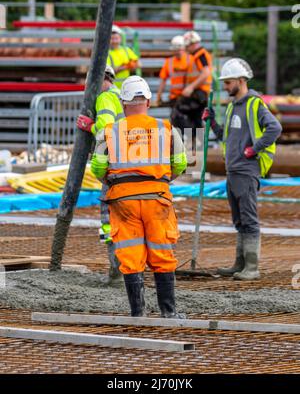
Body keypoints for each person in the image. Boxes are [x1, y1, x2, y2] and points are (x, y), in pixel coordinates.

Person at [91, 75, 188, 317]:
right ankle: (169, 313)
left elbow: (98, 168)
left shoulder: (110, 131)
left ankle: (138, 314)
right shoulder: (164, 128)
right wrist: (161, 181)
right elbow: (180, 163)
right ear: (148, 101)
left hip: (122, 201)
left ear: (123, 104)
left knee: (130, 254)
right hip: (157, 198)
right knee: (161, 253)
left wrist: (115, 183)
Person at [202, 58, 282, 280]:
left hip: (247, 171)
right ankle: (240, 263)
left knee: (249, 218)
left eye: (228, 83)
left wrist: (253, 149)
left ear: (240, 80)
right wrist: (213, 123)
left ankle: (252, 268)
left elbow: (275, 128)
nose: (225, 87)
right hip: (233, 171)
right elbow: (226, 138)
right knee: (239, 220)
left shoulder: (254, 104)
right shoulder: (231, 108)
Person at [76, 66, 124, 284]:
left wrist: (90, 125)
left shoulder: (105, 97)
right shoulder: (121, 94)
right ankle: (127, 269)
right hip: (127, 162)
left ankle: (117, 271)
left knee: (109, 219)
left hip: (112, 164)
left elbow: (106, 129)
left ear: (101, 79)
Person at [170, 31, 213, 141]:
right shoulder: (197, 55)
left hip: (199, 93)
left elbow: (206, 73)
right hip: (200, 94)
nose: (186, 49)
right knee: (196, 119)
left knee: (177, 112)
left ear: (192, 44)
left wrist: (191, 87)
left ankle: (190, 138)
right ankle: (196, 146)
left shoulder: (200, 55)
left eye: (187, 46)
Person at [157, 35, 193, 107]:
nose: (178, 52)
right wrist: (159, 97)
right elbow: (163, 80)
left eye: (179, 49)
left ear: (184, 48)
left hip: (189, 97)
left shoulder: (192, 60)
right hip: (175, 98)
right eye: (176, 50)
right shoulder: (169, 62)